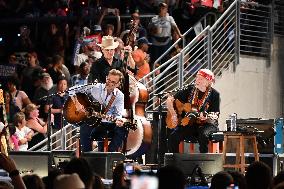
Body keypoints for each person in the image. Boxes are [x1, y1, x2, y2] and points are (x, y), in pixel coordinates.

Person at [70, 69, 126, 152]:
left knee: (122, 129)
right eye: (108, 79)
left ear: (118, 84)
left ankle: (109, 154)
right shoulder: (96, 87)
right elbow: (72, 89)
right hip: (93, 121)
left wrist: (118, 120)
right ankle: (86, 155)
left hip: (107, 123)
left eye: (113, 82)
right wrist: (77, 104)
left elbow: (118, 115)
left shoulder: (119, 96)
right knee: (84, 127)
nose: (109, 83)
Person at [166, 69, 220, 153]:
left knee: (203, 135)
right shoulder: (190, 89)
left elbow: (214, 115)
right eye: (197, 78)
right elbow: (169, 100)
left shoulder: (215, 95)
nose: (197, 80)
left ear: (208, 81)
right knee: (173, 136)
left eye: (201, 79)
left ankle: (204, 161)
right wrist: (173, 114)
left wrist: (205, 118)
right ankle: (175, 162)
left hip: (207, 124)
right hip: (190, 123)